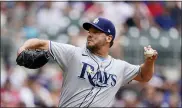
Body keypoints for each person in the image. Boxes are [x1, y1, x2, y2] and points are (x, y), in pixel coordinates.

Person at [18, 17, 158, 107]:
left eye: (96, 32)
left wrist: (150, 61)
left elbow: (145, 76)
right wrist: (23, 48)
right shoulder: (73, 53)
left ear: (109, 38)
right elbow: (41, 43)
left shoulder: (120, 67)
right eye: (90, 31)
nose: (90, 34)